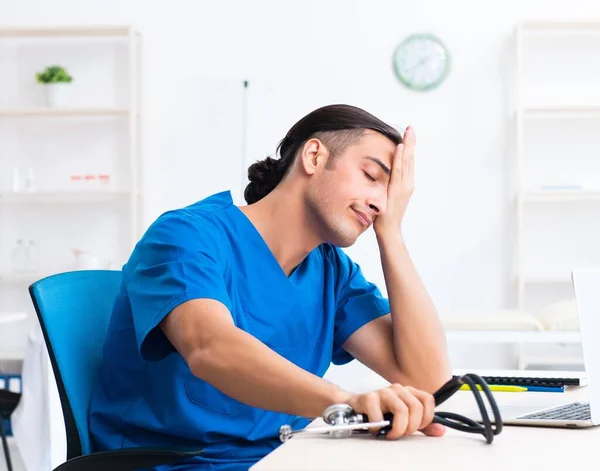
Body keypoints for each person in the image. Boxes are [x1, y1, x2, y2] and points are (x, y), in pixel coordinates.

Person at [88, 104, 452, 470]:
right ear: (313, 156)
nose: (380, 203)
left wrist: (391, 233)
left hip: (282, 460)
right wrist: (344, 403)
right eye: (371, 175)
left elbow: (429, 381)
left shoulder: (331, 273)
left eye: (390, 193)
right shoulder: (187, 236)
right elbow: (209, 347)